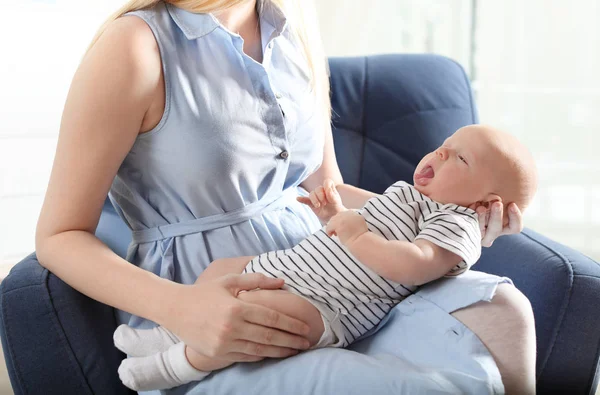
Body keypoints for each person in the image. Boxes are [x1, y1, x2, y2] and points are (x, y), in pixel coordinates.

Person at [34, 0, 536, 394]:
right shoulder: (135, 45)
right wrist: (183, 309)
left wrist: (456, 217)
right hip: (216, 302)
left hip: (340, 277)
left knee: (508, 310)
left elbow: (326, 192)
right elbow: (59, 236)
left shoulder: (292, 27)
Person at [112, 124, 538, 391]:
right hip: (290, 269)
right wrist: (334, 213)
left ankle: (175, 366)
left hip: (328, 305)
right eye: (446, 145)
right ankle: (170, 334)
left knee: (249, 323)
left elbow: (415, 262)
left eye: (460, 158)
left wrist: (354, 235)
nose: (441, 154)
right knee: (219, 272)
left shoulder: (457, 223)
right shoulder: (411, 195)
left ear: (486, 202)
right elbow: (367, 217)